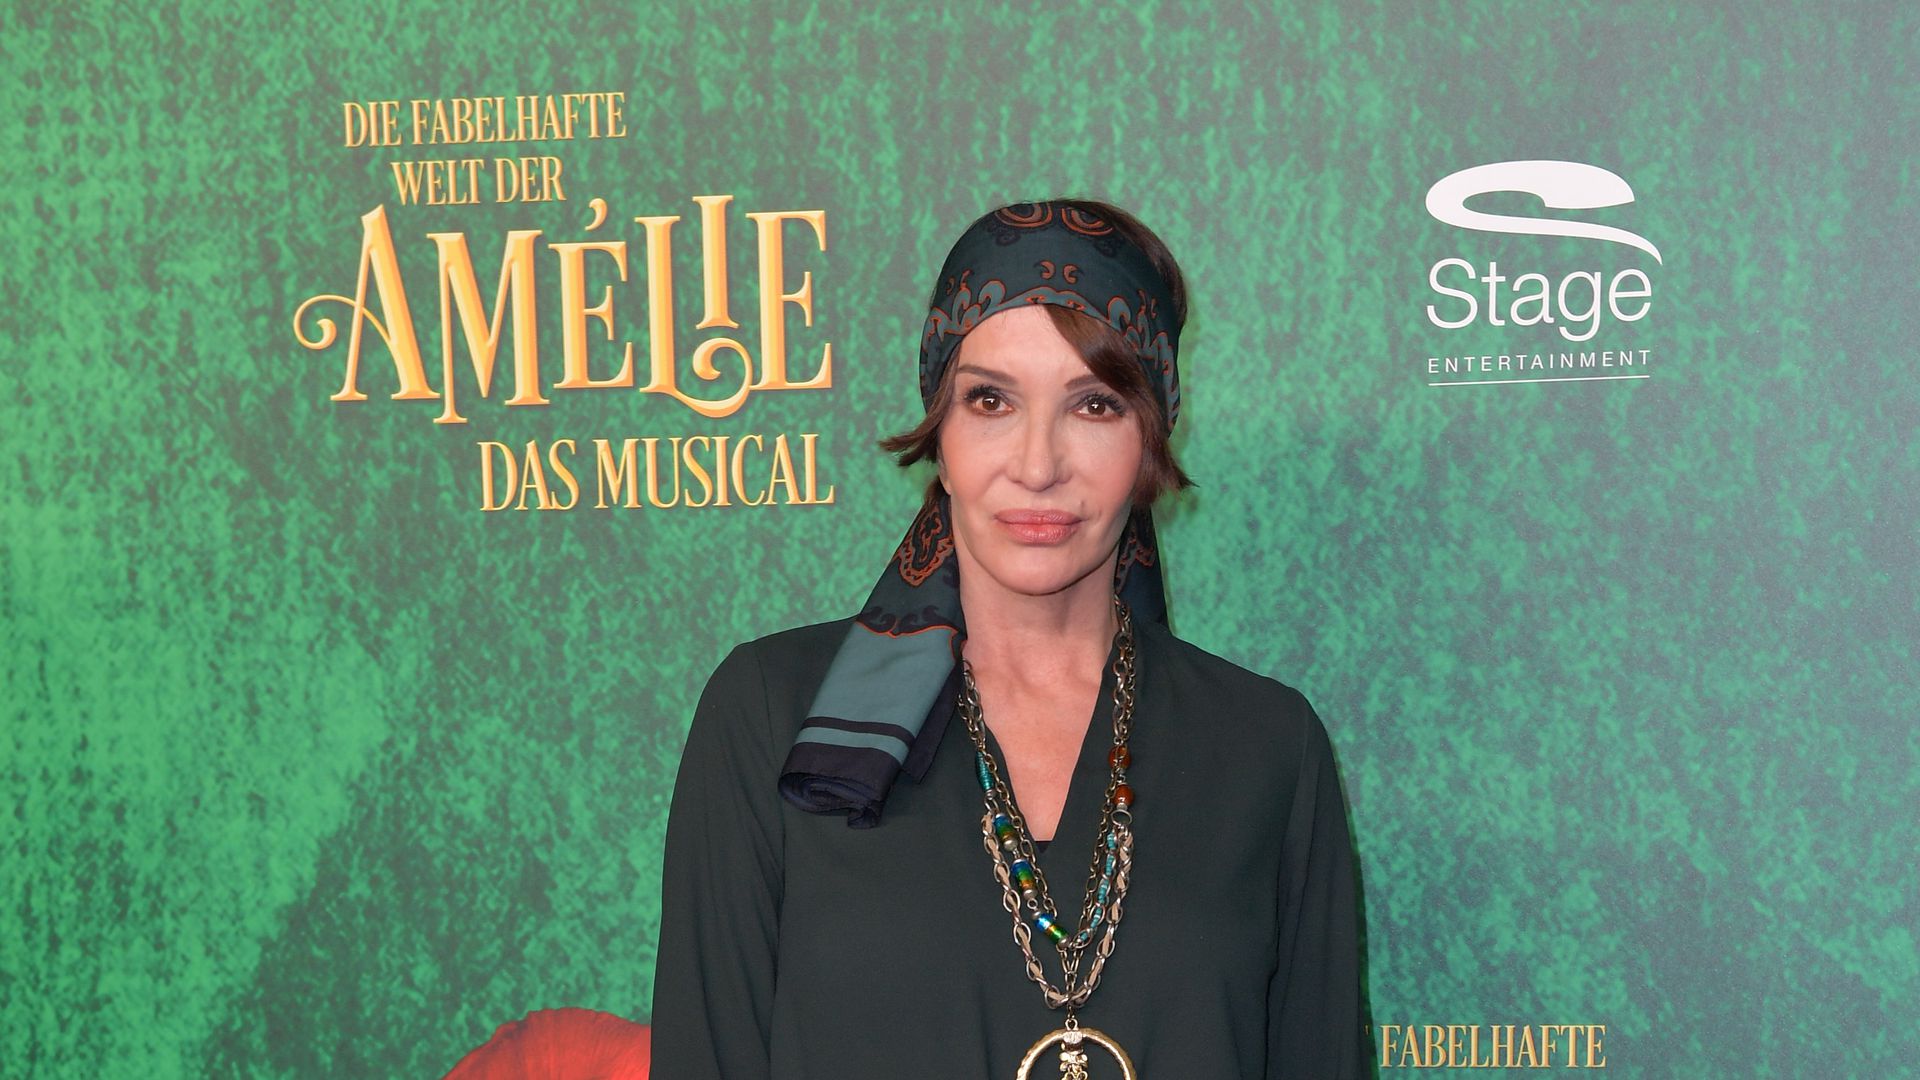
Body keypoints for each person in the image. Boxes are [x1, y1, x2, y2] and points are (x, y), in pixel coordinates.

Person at [651, 200, 1364, 1079]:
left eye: (1094, 404)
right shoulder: (771, 715)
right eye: (990, 400)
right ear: (941, 435)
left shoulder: (1268, 747)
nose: (1037, 464)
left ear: (1150, 437)